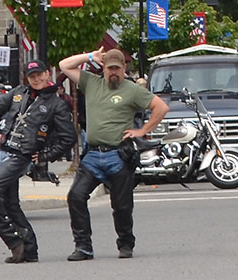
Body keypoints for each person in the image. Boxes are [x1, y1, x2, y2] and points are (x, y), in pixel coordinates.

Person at [59, 47, 169, 261]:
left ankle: (125, 243)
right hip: (92, 156)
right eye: (110, 68)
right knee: (76, 197)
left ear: (124, 68)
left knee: (122, 205)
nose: (113, 73)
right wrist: (90, 57)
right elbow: (64, 65)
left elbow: (161, 107)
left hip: (118, 155)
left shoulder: (132, 90)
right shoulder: (91, 83)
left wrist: (143, 131)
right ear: (104, 68)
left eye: (117, 68)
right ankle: (83, 247)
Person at [0, 59, 77, 264]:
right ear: (27, 77)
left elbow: (69, 138)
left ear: (47, 74)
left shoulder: (56, 104)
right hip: (4, 152)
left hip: (22, 156)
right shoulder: (19, 93)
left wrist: (44, 156)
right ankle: (29, 250)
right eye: (32, 76)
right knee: (10, 203)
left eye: (40, 75)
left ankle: (14, 242)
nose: (36, 79)